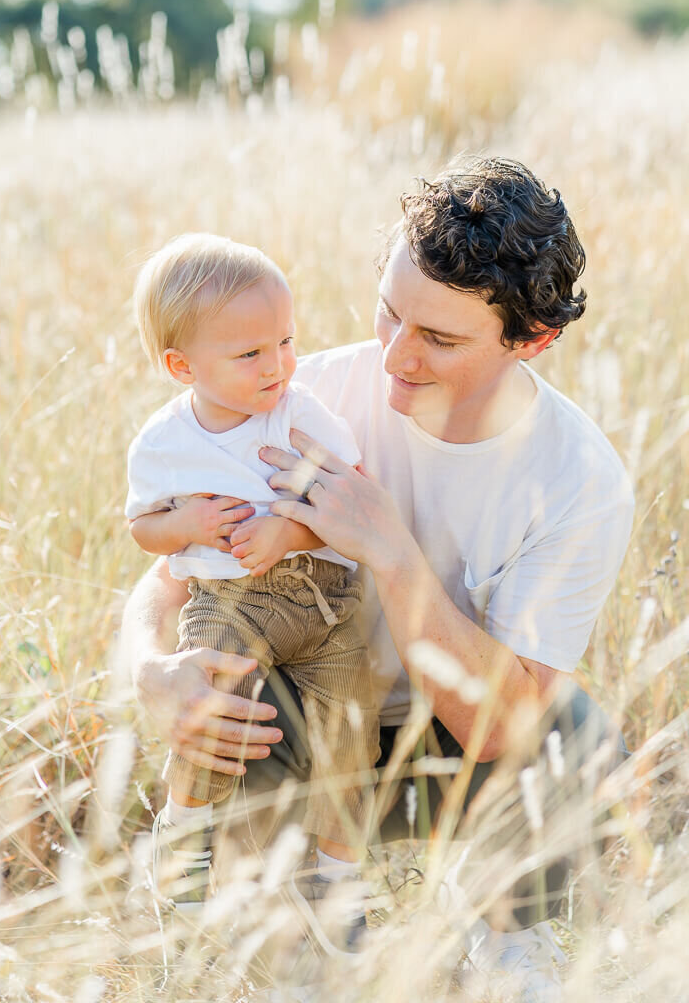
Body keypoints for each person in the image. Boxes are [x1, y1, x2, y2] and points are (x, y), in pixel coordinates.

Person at [122, 157, 634, 997]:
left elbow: (509, 732)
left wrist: (390, 553)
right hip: (311, 732)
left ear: (532, 341)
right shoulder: (302, 394)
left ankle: (508, 940)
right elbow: (173, 577)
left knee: (578, 742)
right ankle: (301, 942)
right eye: (390, 315)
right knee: (241, 703)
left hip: (449, 748)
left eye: (439, 338)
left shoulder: (578, 482)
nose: (396, 357)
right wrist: (153, 669)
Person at [125, 233, 379, 929]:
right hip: (227, 600)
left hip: (322, 598)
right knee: (212, 705)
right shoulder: (164, 443)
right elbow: (144, 530)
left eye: (286, 342)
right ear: (183, 366)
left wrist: (290, 531)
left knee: (348, 733)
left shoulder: (299, 412)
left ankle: (341, 883)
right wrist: (189, 525)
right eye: (250, 354)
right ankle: (185, 836)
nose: (279, 366)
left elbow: (351, 501)